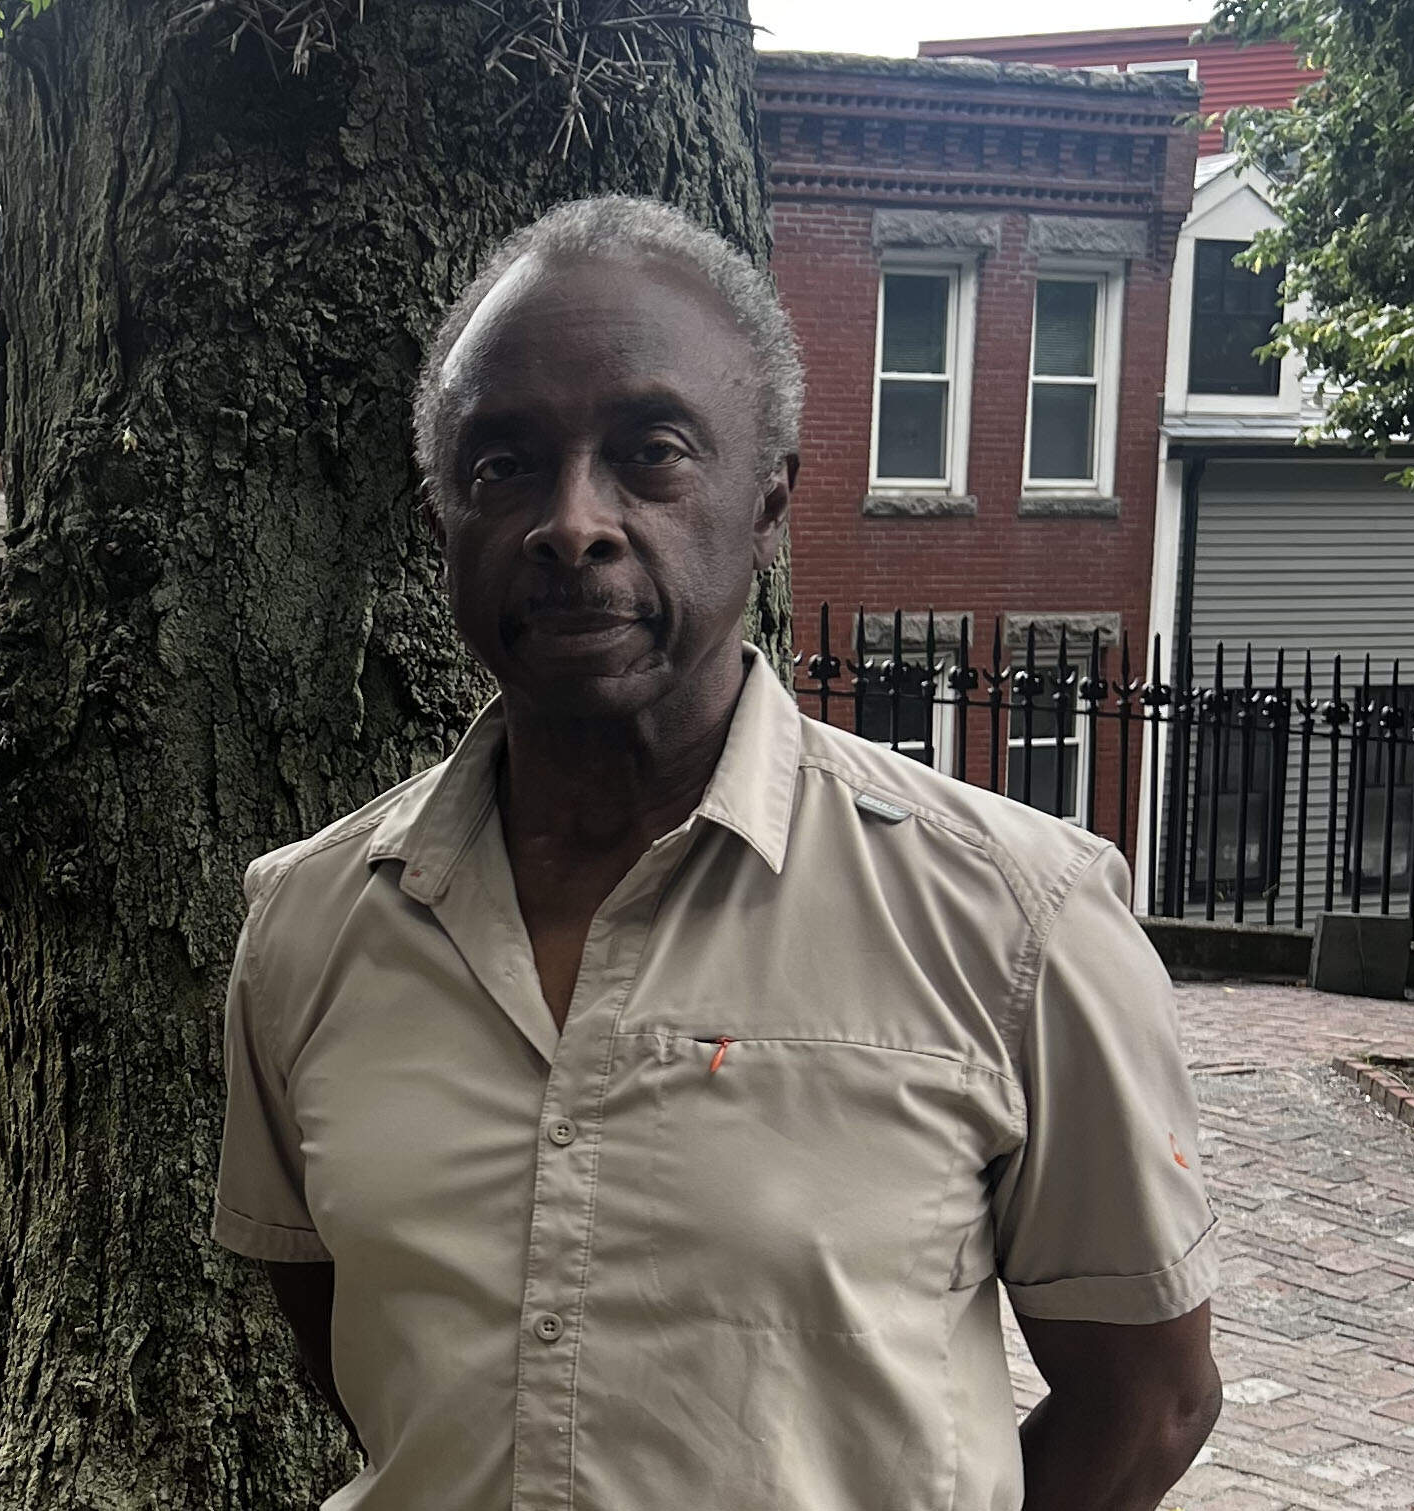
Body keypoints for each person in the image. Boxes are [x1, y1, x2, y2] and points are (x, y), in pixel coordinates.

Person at [213, 196, 1223, 1510]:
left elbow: (1149, 1406)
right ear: (443, 519)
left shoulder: (1018, 923)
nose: (570, 522)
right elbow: (354, 1346)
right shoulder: (304, 930)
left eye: (651, 452)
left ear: (767, 503)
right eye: (503, 463)